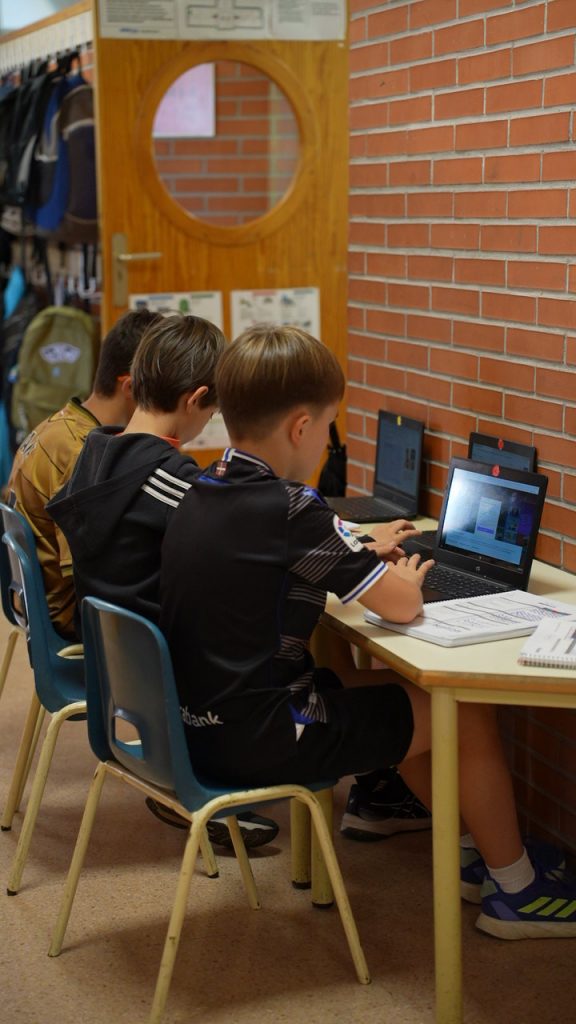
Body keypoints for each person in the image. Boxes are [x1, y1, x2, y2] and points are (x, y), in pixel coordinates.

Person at [158, 324, 576, 940]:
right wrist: (403, 576)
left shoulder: (204, 487)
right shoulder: (292, 506)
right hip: (262, 736)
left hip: (200, 725)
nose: (326, 438)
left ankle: (476, 853)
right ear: (301, 427)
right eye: (329, 424)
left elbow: (274, 561)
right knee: (461, 712)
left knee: (384, 687)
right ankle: (518, 891)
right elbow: (401, 606)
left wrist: (348, 552)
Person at [46, 313, 278, 850]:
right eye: (213, 410)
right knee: (287, 612)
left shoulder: (95, 452)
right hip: (182, 680)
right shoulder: (171, 480)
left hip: (128, 674)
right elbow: (242, 544)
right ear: (195, 400)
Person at [6, 308, 162, 639]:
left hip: (35, 603)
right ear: (131, 387)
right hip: (69, 618)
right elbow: (92, 576)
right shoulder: (82, 453)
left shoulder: (61, 425)